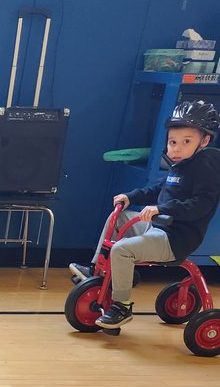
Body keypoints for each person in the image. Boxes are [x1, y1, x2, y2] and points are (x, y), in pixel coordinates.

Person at [71, 99, 220, 329]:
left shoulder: (205, 167)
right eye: (172, 142)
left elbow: (200, 205)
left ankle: (122, 306)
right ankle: (97, 268)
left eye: (186, 141)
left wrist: (162, 209)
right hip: (158, 228)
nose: (176, 148)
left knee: (122, 250)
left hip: (175, 239)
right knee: (118, 217)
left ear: (205, 141)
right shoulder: (181, 165)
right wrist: (130, 197)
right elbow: (158, 189)